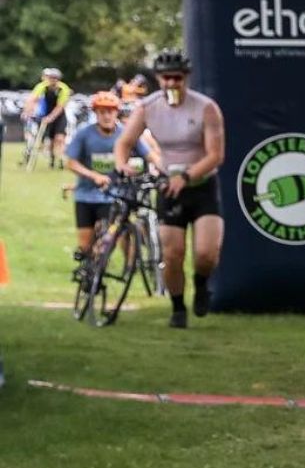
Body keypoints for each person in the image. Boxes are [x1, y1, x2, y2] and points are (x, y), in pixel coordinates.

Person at [115, 50, 223, 328]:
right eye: (166, 78)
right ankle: (178, 308)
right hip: (168, 185)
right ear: (158, 79)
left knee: (206, 253)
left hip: (201, 185)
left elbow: (215, 154)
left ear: (186, 78)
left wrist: (187, 176)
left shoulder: (205, 107)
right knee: (172, 253)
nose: (172, 83)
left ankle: (201, 283)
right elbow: (124, 141)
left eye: (177, 78)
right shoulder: (147, 107)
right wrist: (121, 163)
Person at [65, 90, 151, 269]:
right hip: (86, 195)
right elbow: (71, 163)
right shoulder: (84, 134)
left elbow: (149, 154)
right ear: (95, 113)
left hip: (114, 196)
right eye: (102, 111)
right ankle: (89, 268)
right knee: (85, 246)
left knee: (115, 235)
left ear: (116, 112)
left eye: (110, 111)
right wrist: (94, 176)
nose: (106, 116)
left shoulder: (126, 134)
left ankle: (128, 265)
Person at [21, 67, 72, 168]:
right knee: (49, 140)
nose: (53, 80)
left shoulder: (63, 89)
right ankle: (52, 160)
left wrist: (51, 117)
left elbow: (60, 107)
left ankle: (60, 159)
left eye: (55, 78)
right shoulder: (42, 86)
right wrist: (27, 111)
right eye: (51, 78)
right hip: (45, 115)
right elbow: (32, 99)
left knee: (59, 138)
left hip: (59, 116)